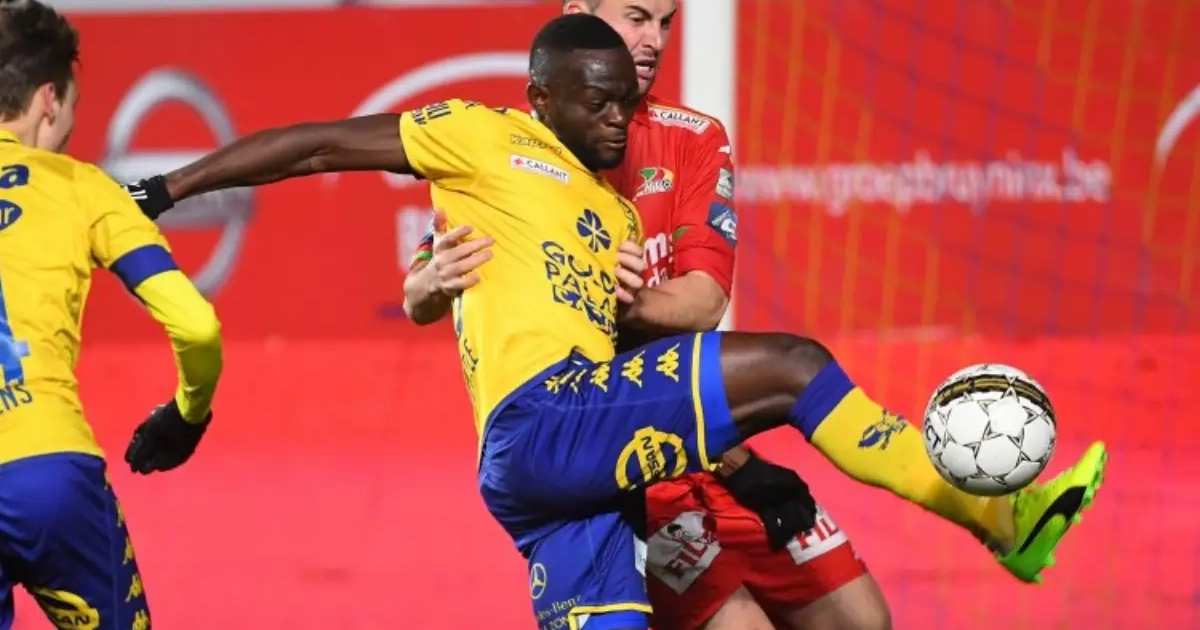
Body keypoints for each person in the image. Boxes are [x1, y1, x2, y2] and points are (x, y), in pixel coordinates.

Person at [122, 14, 1105, 630]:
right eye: (596, 102)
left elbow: (648, 347)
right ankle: (997, 514)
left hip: (560, 469)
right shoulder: (481, 136)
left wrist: (733, 452)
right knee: (796, 365)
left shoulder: (611, 218)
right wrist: (165, 188)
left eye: (625, 104)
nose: (615, 119)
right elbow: (313, 147)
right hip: (539, 419)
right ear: (540, 95)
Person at [409, 2, 885, 629]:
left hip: (711, 438)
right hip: (624, 462)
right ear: (579, 13)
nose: (652, 40)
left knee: (862, 619)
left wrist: (620, 302)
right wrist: (433, 279)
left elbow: (705, 301)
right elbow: (418, 293)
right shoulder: (509, 151)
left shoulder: (693, 137)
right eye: (636, 17)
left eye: (665, 22)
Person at [0, 2, 223, 629]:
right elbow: (197, 325)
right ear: (49, 99)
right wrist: (188, 413)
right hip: (48, 469)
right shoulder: (84, 188)